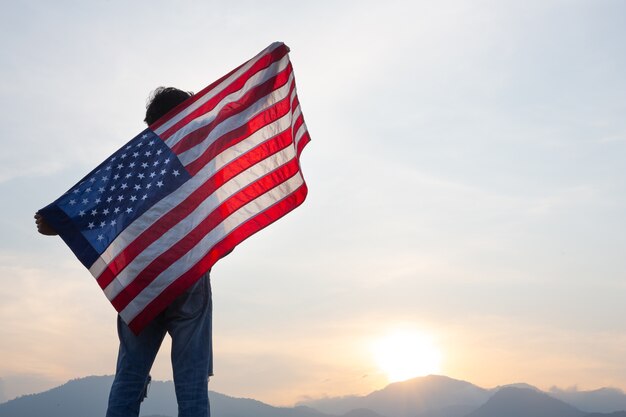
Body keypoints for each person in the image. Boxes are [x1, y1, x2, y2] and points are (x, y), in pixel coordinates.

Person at [35, 87, 214, 417]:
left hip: (141, 277)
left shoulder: (134, 163)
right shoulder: (199, 154)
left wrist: (60, 222)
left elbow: (101, 207)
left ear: (151, 122)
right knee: (191, 384)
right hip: (188, 275)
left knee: (130, 375)